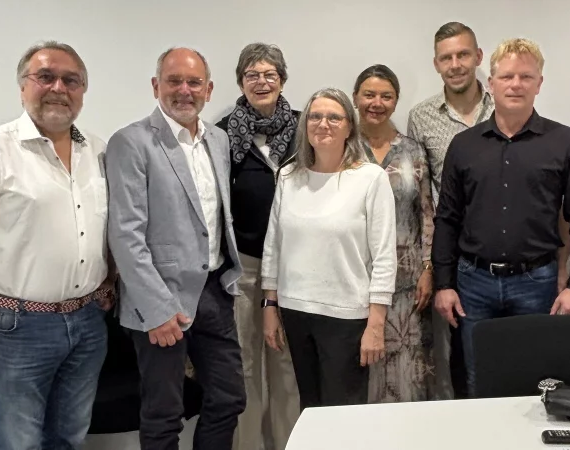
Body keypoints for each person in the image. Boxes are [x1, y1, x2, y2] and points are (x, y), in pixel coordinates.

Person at [0, 40, 114, 449]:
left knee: (69, 436)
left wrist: (111, 280)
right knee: (20, 442)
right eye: (45, 76)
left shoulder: (98, 150)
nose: (58, 87)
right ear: (22, 86)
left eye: (71, 80)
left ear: (83, 90)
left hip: (87, 323)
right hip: (15, 327)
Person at [432, 38, 570, 397]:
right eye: (507, 76)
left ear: (539, 83)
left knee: (536, 381)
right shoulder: (464, 146)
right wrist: (444, 283)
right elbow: (446, 218)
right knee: (477, 380)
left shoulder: (566, 142)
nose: (516, 84)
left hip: (537, 284)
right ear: (490, 83)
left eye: (526, 76)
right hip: (472, 284)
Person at [105, 47, 245, 450]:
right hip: (161, 301)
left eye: (194, 82)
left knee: (229, 397)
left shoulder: (217, 139)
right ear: (156, 86)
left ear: (209, 89)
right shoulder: (131, 143)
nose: (185, 90)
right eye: (174, 81)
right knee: (164, 413)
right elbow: (126, 234)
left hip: (215, 291)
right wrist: (157, 310)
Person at [260, 87, 397, 409]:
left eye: (334, 117)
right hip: (296, 312)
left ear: (350, 126)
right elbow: (273, 245)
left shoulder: (370, 179)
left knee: (343, 412)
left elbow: (384, 257)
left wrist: (376, 324)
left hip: (346, 316)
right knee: (310, 406)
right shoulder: (289, 175)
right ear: (305, 124)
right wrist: (269, 307)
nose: (323, 123)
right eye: (316, 116)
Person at [215, 42, 301, 450]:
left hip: (296, 269)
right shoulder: (220, 134)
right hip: (244, 268)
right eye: (252, 75)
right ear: (240, 82)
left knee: (288, 369)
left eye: (269, 74)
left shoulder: (306, 129)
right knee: (246, 368)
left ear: (283, 79)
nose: (261, 81)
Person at [406, 22, 494, 399]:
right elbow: (421, 197)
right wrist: (430, 266)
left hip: (510, 249)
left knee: (516, 353)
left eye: (462, 55)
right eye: (447, 57)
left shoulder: (505, 104)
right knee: (459, 355)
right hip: (454, 253)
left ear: (478, 57)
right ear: (436, 64)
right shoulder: (421, 117)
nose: (455, 64)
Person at [352, 64, 437, 403]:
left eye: (386, 96)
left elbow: (427, 213)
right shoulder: (343, 149)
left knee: (409, 374)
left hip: (408, 283)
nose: (377, 102)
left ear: (396, 101)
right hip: (357, 279)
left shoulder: (413, 151)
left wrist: (428, 269)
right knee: (361, 369)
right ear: (356, 97)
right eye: (369, 94)